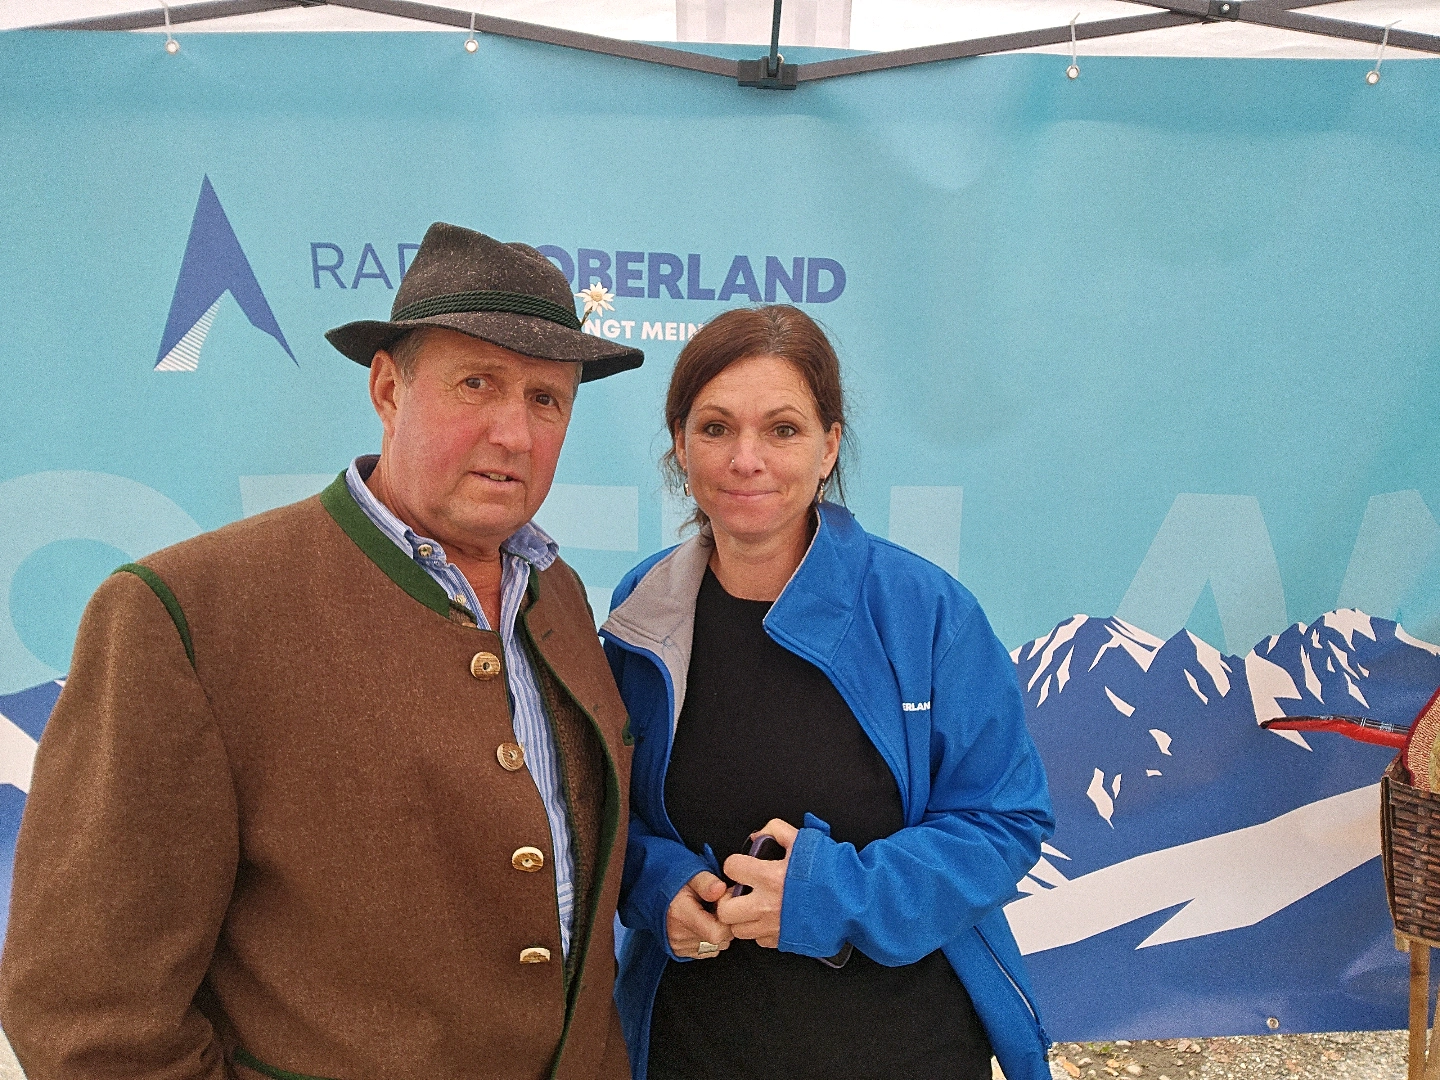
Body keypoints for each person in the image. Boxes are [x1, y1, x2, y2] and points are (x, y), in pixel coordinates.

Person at [0, 224, 641, 1080]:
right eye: (476, 384)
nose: (515, 434)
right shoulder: (185, 612)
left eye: (545, 400)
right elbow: (90, 1014)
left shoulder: (555, 590)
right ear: (387, 389)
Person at [600, 305, 1055, 1080]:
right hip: (692, 1045)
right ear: (680, 444)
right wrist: (657, 883)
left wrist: (831, 895)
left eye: (782, 429)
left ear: (829, 446)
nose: (746, 459)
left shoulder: (925, 612)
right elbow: (611, 811)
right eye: (715, 428)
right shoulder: (644, 608)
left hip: (903, 1048)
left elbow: (1004, 821)